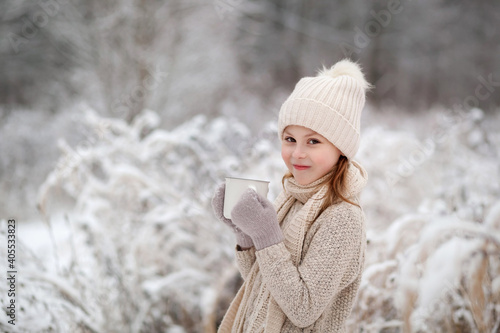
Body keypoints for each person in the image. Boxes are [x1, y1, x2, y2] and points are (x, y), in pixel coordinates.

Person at [211, 58, 371, 332]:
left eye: (313, 141)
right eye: (289, 139)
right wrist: (245, 235)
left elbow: (303, 308)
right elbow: (263, 285)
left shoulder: (343, 218)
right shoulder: (293, 200)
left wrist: (266, 237)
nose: (297, 153)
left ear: (341, 148)